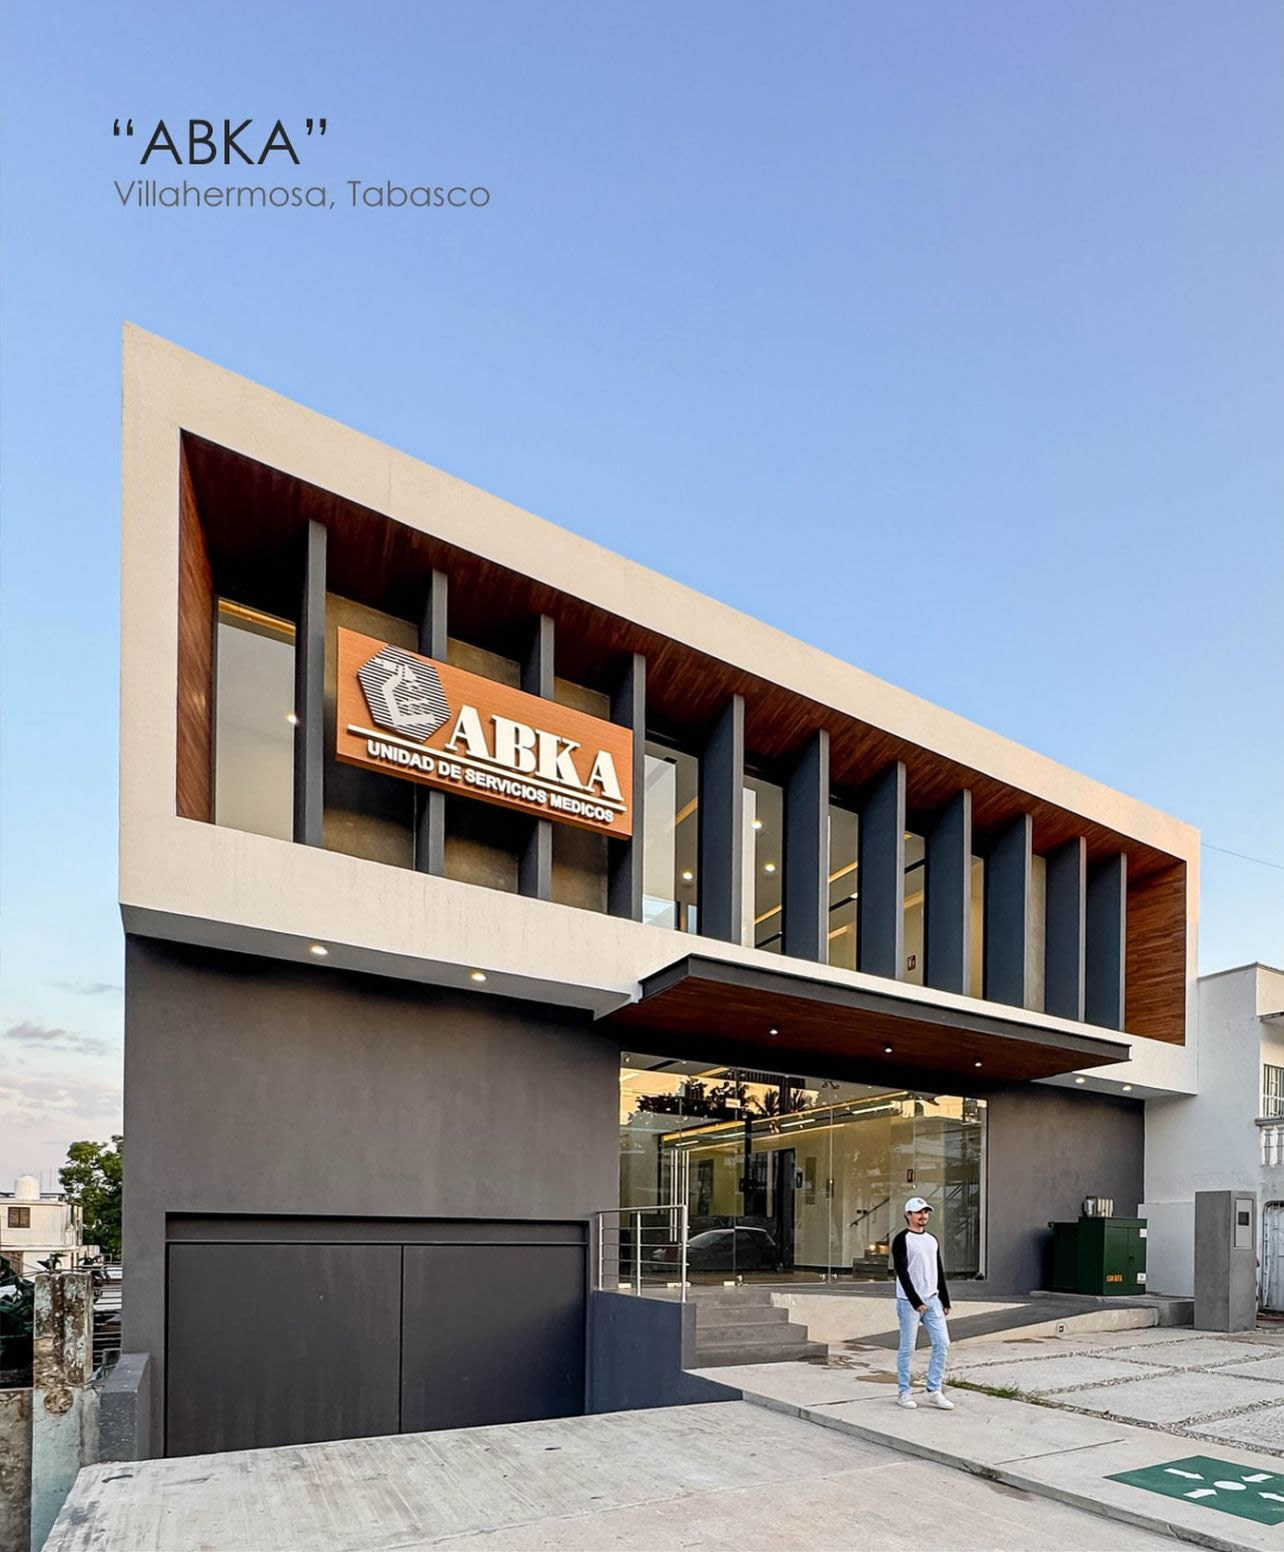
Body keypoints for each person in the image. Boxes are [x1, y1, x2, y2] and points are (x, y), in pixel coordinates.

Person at [891, 1196, 953, 1409]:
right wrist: (915, 1301)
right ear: (908, 1215)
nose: (923, 1216)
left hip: (933, 1299)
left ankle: (934, 1389)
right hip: (909, 1301)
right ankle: (904, 1392)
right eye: (918, 1212)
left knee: (942, 1343)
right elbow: (902, 1272)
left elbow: (938, 1269)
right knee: (907, 1348)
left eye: (925, 1212)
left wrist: (945, 1299)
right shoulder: (902, 1240)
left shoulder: (932, 1240)